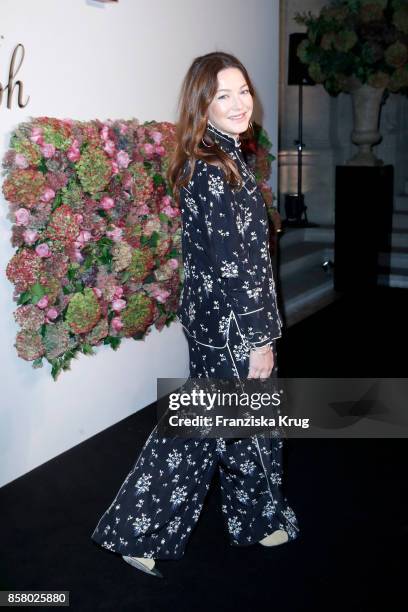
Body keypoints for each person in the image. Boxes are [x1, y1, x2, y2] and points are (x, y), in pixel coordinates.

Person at [90, 51, 300, 578]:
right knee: (202, 430)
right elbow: (235, 265)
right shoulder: (215, 170)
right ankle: (137, 531)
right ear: (201, 107)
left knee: (244, 426)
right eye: (222, 95)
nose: (238, 103)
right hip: (233, 325)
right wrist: (260, 338)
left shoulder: (225, 158)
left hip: (220, 322)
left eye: (243, 91)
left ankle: (254, 519)